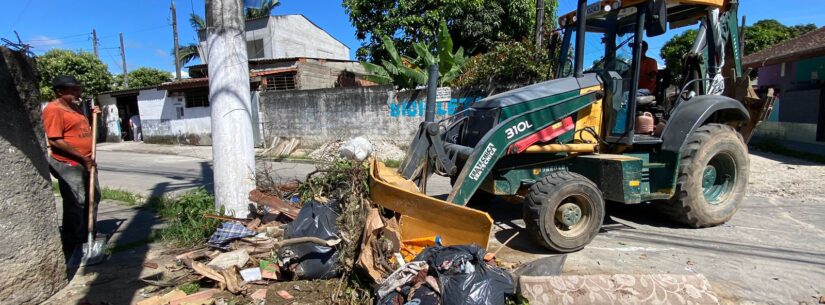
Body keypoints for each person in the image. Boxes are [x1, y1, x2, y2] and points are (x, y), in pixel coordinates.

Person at [42, 75, 101, 260]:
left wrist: (94, 117)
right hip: (70, 163)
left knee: (94, 197)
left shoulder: (74, 108)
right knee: (77, 202)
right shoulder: (53, 109)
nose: (78, 93)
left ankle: (89, 235)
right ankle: (74, 242)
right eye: (74, 90)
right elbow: (55, 140)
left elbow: (79, 132)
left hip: (87, 161)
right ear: (60, 91)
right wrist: (82, 158)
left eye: (79, 89)